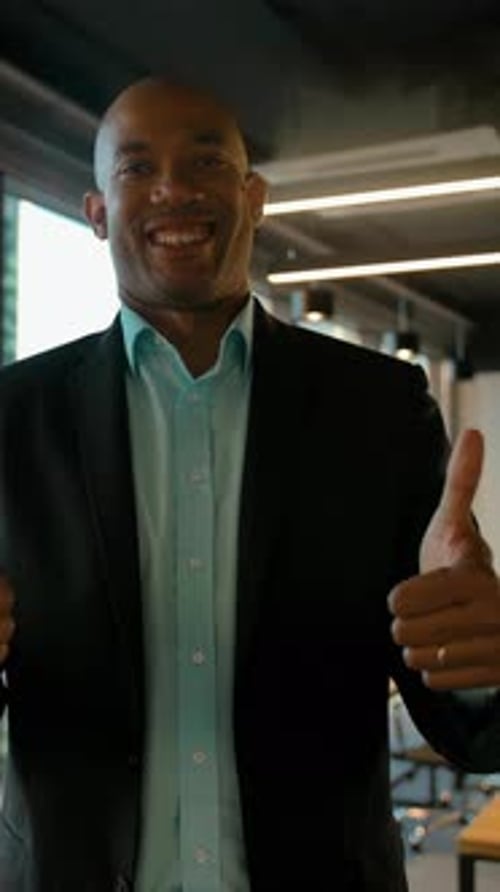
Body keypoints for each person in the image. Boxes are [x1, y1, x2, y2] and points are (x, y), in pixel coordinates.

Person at [0, 77, 499, 892]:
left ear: (254, 196)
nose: (174, 187)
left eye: (206, 160)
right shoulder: (11, 421)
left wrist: (481, 669)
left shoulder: (378, 409)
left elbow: (469, 731)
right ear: (96, 212)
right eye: (135, 168)